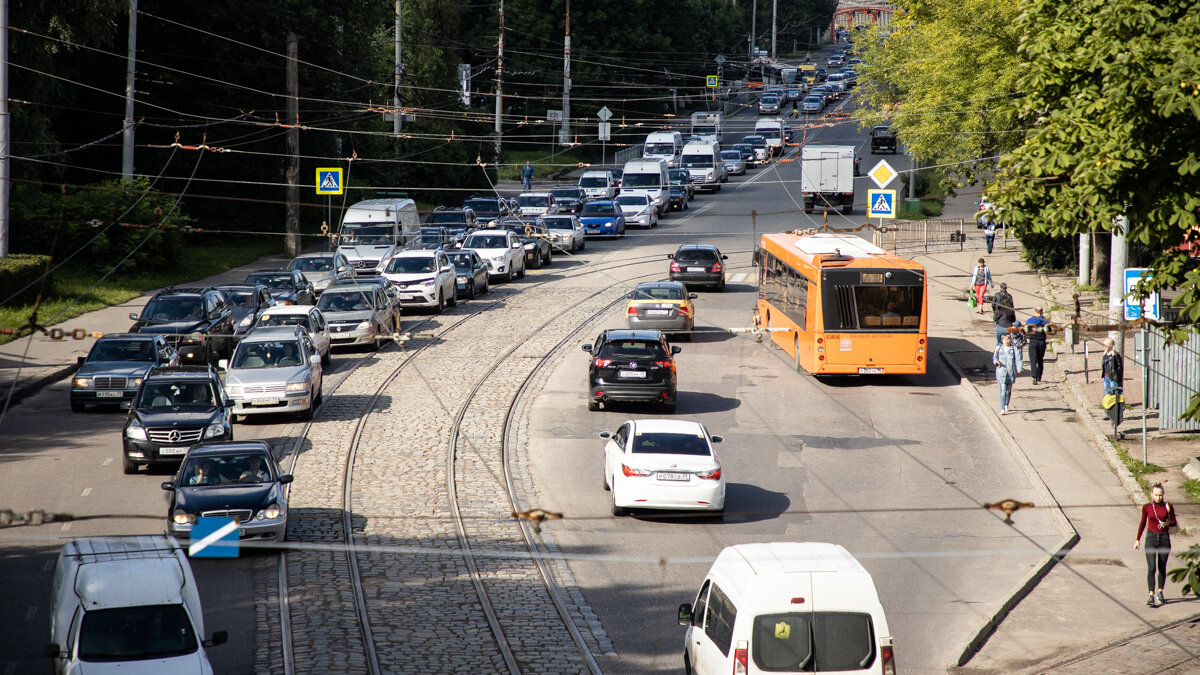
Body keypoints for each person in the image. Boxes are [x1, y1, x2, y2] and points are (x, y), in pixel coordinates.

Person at [1135, 483, 1177, 607]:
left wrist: (1167, 523)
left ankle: (1160, 592)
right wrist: (1137, 539)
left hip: (1164, 538)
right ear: (1151, 494)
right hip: (1151, 538)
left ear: (1163, 495)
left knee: (1161, 566)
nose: (1158, 497)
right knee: (1151, 567)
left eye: (1160, 495)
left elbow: (1174, 522)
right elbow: (1142, 523)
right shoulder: (1147, 507)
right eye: (1156, 495)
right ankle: (1150, 594)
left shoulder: (1168, 506)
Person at [993, 333, 1022, 415]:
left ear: (1010, 340)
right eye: (1005, 339)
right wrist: (996, 362)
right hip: (1001, 372)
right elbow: (994, 358)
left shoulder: (1014, 349)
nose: (1006, 341)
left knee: (1008, 391)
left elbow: (1018, 359)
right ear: (1002, 340)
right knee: (1002, 391)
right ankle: (1002, 408)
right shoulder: (999, 349)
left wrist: (1019, 368)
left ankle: (1006, 404)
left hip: (1010, 372)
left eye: (1008, 339)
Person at [1025, 307, 1049, 384]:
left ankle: (1034, 377)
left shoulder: (1030, 320)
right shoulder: (1045, 321)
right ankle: (1039, 376)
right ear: (1042, 312)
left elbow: (1026, 331)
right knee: (1040, 360)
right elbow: (1047, 332)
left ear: (1034, 311)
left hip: (1033, 341)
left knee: (1033, 360)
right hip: (1041, 342)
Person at [992, 282, 1016, 346]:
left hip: (999, 317)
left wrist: (995, 311)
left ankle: (999, 347)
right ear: (1006, 288)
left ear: (1000, 288)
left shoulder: (997, 295)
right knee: (1008, 340)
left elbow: (993, 304)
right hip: (1008, 321)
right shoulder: (1009, 296)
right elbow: (1012, 306)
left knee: (999, 333)